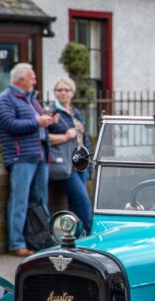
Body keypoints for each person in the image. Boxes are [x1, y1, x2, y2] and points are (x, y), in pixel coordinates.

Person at [0, 62, 57, 257]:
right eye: (32, 78)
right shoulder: (5, 99)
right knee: (19, 201)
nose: (35, 81)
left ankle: (42, 239)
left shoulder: (31, 99)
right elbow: (9, 124)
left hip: (39, 154)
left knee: (40, 200)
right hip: (21, 155)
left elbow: (35, 122)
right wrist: (37, 121)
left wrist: (47, 120)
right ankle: (17, 243)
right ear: (20, 79)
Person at [47, 77, 93, 233]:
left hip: (81, 164)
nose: (63, 93)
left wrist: (89, 162)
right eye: (59, 90)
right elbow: (43, 138)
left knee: (75, 204)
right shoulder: (51, 112)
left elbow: (84, 138)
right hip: (66, 165)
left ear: (72, 93)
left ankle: (74, 237)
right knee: (83, 201)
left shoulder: (76, 112)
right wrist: (65, 137)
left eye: (66, 90)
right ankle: (91, 235)